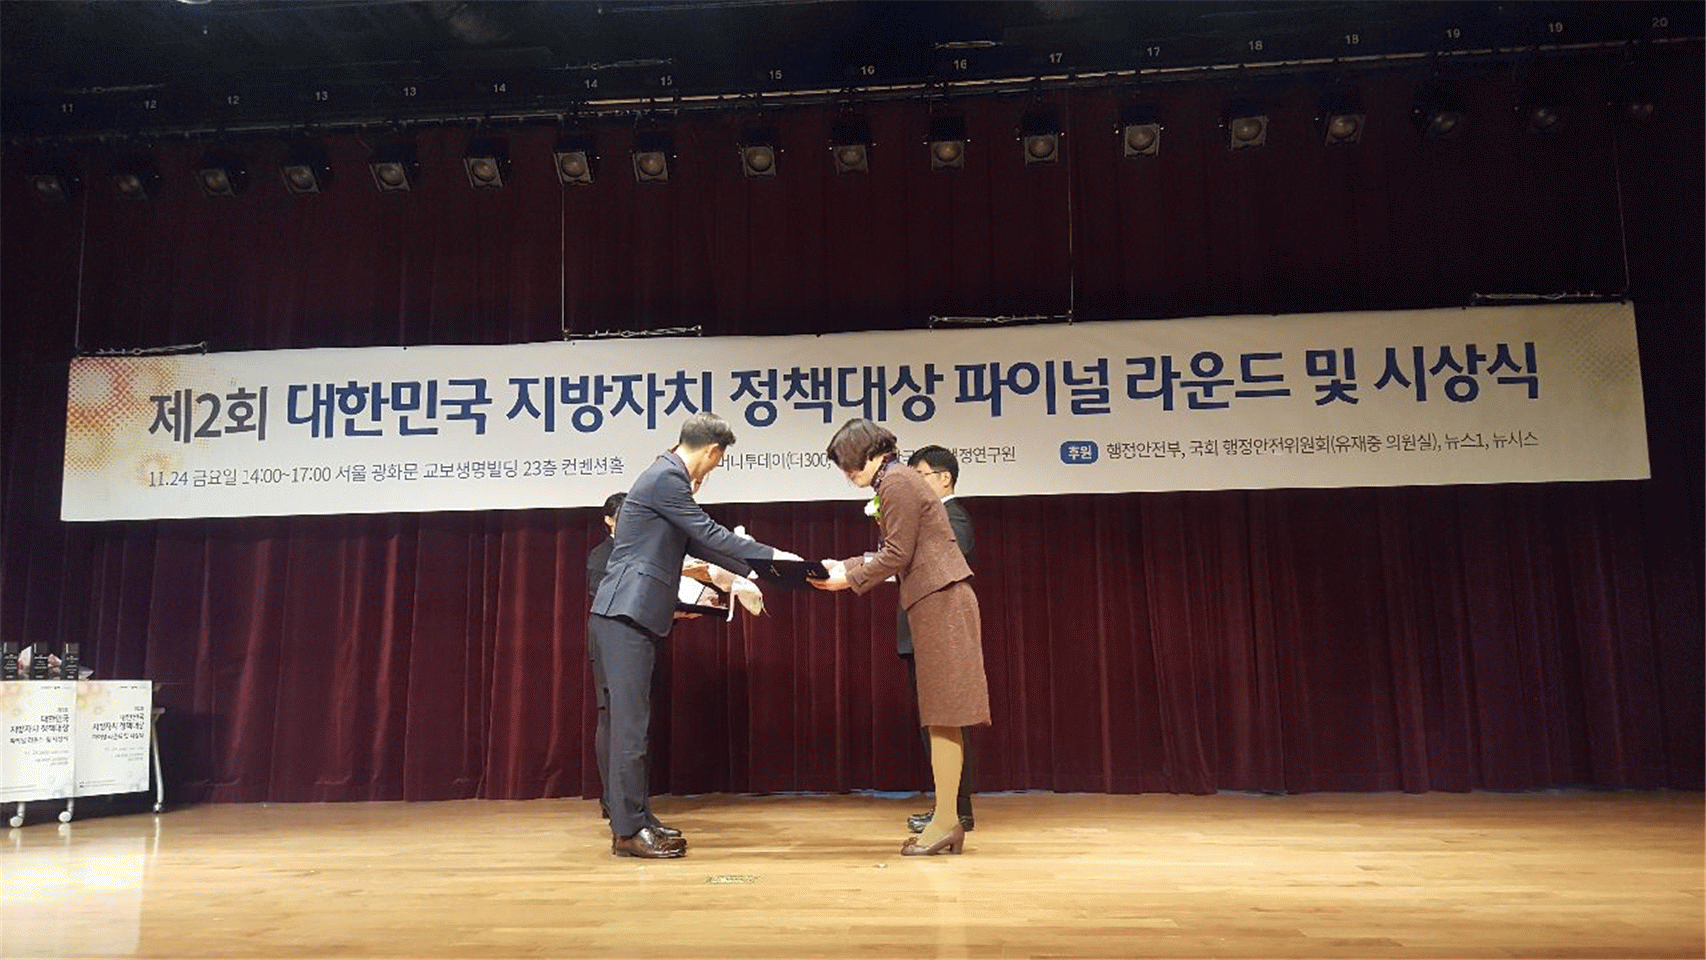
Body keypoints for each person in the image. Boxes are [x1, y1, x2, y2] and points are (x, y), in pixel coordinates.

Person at [589, 412, 794, 859]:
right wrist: (776, 555)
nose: (714, 469)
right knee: (629, 729)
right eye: (719, 461)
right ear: (713, 451)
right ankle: (627, 831)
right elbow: (709, 533)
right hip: (625, 614)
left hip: (631, 615)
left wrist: (765, 571)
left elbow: (698, 545)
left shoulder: (664, 476)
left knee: (633, 726)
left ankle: (638, 818)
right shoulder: (667, 477)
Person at [811, 419, 991, 856]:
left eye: (849, 466)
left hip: (940, 602)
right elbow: (899, 550)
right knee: (941, 717)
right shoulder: (899, 480)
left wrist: (846, 579)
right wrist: (846, 564)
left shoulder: (895, 482)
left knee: (943, 715)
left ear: (868, 455)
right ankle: (947, 819)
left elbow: (897, 554)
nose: (848, 476)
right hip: (935, 601)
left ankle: (947, 821)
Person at [898, 445, 978, 836]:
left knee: (947, 723)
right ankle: (947, 809)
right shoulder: (928, 519)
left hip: (941, 632)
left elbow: (948, 560)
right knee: (934, 726)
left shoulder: (953, 516)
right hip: (922, 631)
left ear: (944, 478)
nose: (914, 486)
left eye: (920, 477)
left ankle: (957, 812)